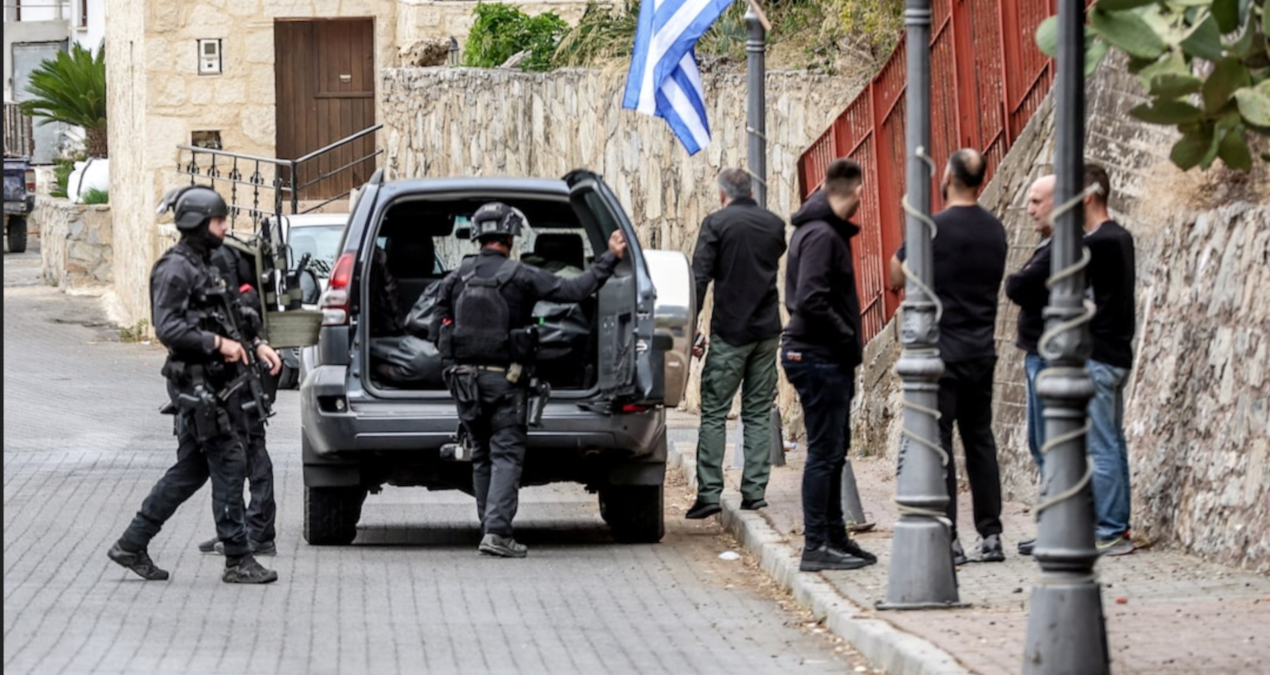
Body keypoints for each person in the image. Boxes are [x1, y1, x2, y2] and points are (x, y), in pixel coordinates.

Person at [107, 185, 282, 584]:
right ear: (198, 223)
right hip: (198, 386)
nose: (225, 228)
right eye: (219, 221)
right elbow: (168, 328)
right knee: (231, 462)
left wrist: (257, 344)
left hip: (218, 384)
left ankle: (131, 543)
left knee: (191, 470)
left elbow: (232, 315)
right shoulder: (174, 268)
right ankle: (238, 559)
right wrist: (218, 345)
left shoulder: (209, 263)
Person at [431, 202, 626, 558]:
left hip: (464, 384)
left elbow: (436, 327)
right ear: (510, 237)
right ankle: (497, 533)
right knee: (506, 453)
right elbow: (575, 290)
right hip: (505, 383)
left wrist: (451, 366)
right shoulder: (520, 274)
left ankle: (489, 528)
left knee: (481, 454)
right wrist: (610, 258)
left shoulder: (456, 278)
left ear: (477, 237)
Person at [888, 148, 1008, 565]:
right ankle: (991, 535)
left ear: (949, 179)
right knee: (981, 442)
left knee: (939, 446)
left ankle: (949, 537)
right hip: (981, 350)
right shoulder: (996, 230)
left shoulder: (933, 229)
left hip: (941, 354)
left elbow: (895, 272)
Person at [781, 158, 877, 572]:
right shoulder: (821, 235)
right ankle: (816, 544)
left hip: (821, 355)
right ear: (857, 191)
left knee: (834, 450)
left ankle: (834, 537)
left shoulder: (819, 230)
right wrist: (844, 335)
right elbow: (811, 299)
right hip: (818, 356)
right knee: (824, 452)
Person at [685, 168, 787, 519]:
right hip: (766, 332)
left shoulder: (716, 225)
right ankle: (754, 492)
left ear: (721, 194)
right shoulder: (774, 225)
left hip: (730, 332)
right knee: (757, 411)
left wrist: (690, 327)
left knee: (714, 412)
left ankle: (709, 494)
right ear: (752, 193)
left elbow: (699, 279)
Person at [193, 243, 279, 557]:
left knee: (252, 450)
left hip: (247, 375)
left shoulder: (226, 266)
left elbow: (240, 322)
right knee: (237, 452)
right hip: (237, 374)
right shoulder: (223, 257)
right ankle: (238, 529)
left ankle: (259, 533)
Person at [1081, 163, 1136, 557]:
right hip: (1119, 353)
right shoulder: (1122, 236)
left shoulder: (1097, 243)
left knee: (1101, 445)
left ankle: (1111, 530)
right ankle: (1119, 525)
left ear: (1088, 196)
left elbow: (1088, 302)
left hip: (1098, 355)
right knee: (1114, 443)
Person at [1004, 174, 1056, 557]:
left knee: (1050, 444)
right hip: (1040, 353)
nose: (1029, 209)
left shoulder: (1061, 246)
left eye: (1037, 201)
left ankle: (1057, 526)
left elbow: (1020, 286)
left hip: (1050, 355)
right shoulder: (1049, 244)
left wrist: (1017, 280)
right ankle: (1052, 524)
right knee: (1041, 443)